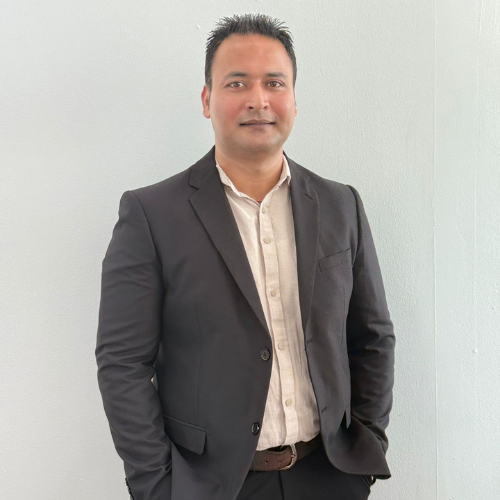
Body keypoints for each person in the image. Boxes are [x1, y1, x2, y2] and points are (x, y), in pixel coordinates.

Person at [95, 13, 395, 500]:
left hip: (330, 475)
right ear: (207, 99)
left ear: (294, 99)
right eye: (237, 83)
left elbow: (372, 337)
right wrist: (158, 485)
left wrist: (367, 448)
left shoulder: (341, 205)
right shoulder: (151, 214)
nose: (258, 99)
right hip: (211, 485)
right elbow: (122, 363)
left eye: (274, 82)